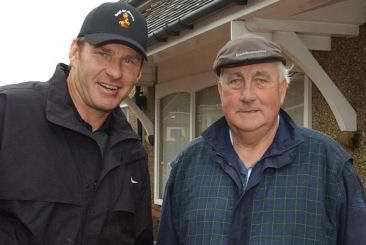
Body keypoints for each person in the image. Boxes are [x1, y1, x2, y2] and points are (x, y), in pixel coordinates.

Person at [157, 33, 366, 245]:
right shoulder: (188, 167)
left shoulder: (329, 165)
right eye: (235, 81)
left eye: (261, 80)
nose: (247, 95)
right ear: (221, 92)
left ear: (282, 89)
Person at [0, 1, 153, 244]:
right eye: (103, 53)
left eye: (129, 61)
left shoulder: (132, 154)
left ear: (140, 72)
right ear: (74, 52)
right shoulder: (8, 113)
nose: (115, 72)